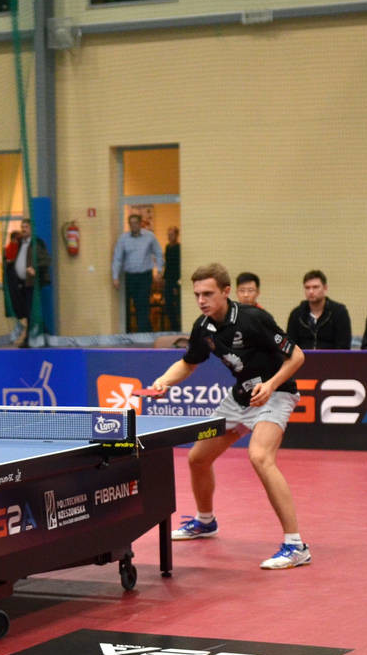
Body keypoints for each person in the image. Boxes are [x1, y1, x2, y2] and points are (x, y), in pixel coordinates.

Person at [143, 264, 311, 571]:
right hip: (240, 397)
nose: (201, 300)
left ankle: (296, 545)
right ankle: (205, 521)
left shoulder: (253, 319)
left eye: (208, 294)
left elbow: (297, 355)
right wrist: (163, 382)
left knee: (260, 457)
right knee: (198, 458)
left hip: (276, 394)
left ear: (225, 291)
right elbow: (188, 363)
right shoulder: (203, 327)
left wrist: (271, 385)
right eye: (197, 294)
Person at [111, 213, 163, 333]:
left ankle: (143, 331)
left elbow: (158, 253)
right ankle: (133, 331)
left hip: (145, 275)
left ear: (140, 224)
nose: (133, 225)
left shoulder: (149, 237)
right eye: (131, 223)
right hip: (130, 276)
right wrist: (115, 277)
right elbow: (117, 258)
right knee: (133, 303)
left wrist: (159, 270)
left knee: (143, 303)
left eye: (135, 223)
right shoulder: (123, 239)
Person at [2, 217, 50, 347]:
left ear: (32, 229)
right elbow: (12, 256)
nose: (23, 230)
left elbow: (46, 260)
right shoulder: (19, 243)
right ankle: (42, 335)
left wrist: (36, 269)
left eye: (26, 227)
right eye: (22, 227)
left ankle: (30, 339)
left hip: (32, 284)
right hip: (21, 284)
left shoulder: (37, 243)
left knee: (31, 312)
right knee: (25, 312)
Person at [286, 270, 353, 350]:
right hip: (303, 357)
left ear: (325, 288)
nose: (311, 291)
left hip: (331, 357)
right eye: (307, 288)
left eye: (315, 287)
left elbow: (343, 346)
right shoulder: (297, 314)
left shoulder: (339, 312)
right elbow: (290, 345)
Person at [160, 226, 182, 329]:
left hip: (175, 280)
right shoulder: (168, 247)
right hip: (168, 280)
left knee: (177, 305)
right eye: (168, 235)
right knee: (168, 305)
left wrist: (176, 284)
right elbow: (167, 265)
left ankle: (178, 326)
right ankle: (174, 326)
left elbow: (177, 266)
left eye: (171, 235)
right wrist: (164, 278)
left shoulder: (179, 248)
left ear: (176, 235)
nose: (169, 237)